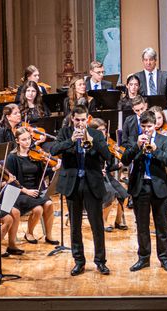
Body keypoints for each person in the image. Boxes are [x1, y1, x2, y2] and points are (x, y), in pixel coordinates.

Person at [44, 106, 115, 276]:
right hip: (73, 185)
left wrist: (92, 139)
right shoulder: (65, 132)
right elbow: (53, 150)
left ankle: (100, 261)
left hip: (92, 184)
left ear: (88, 119)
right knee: (75, 227)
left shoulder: (96, 134)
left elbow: (108, 156)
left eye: (83, 120)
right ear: (72, 119)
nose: (80, 123)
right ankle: (79, 261)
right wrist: (70, 140)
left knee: (97, 226)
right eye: (77, 120)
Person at [123, 112, 167, 273]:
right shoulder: (136, 140)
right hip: (140, 186)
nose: (147, 130)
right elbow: (124, 159)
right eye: (144, 126)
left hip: (158, 186)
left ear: (155, 125)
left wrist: (155, 150)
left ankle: (164, 258)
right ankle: (144, 258)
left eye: (149, 126)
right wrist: (136, 146)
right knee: (142, 226)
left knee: (162, 226)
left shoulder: (164, 140)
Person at [4, 127, 58, 247]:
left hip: (35, 189)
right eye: (23, 139)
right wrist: (26, 191)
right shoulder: (12, 158)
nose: (27, 142)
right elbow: (11, 181)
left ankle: (48, 235)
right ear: (17, 141)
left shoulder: (35, 154)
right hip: (19, 191)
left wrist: (53, 168)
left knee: (49, 204)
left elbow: (43, 172)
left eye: (29, 138)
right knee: (38, 209)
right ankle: (29, 233)